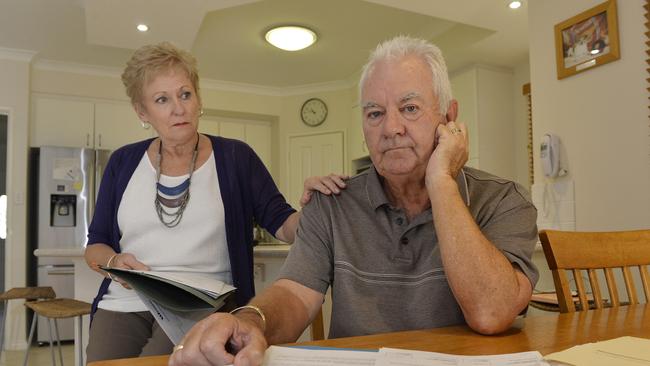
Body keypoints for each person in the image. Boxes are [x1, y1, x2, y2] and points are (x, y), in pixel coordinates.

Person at [169, 35, 538, 366]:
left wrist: (441, 181)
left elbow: (491, 313)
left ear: (449, 117)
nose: (391, 128)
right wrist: (249, 322)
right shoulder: (331, 203)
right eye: (375, 113)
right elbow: (294, 294)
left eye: (410, 108)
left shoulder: (504, 199)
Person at [83, 42, 347, 362]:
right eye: (162, 99)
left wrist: (319, 206)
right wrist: (113, 265)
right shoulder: (123, 162)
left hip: (201, 304)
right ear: (142, 111)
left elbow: (284, 224)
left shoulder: (236, 157)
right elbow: (96, 245)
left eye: (185, 94)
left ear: (198, 98)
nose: (178, 108)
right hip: (125, 301)